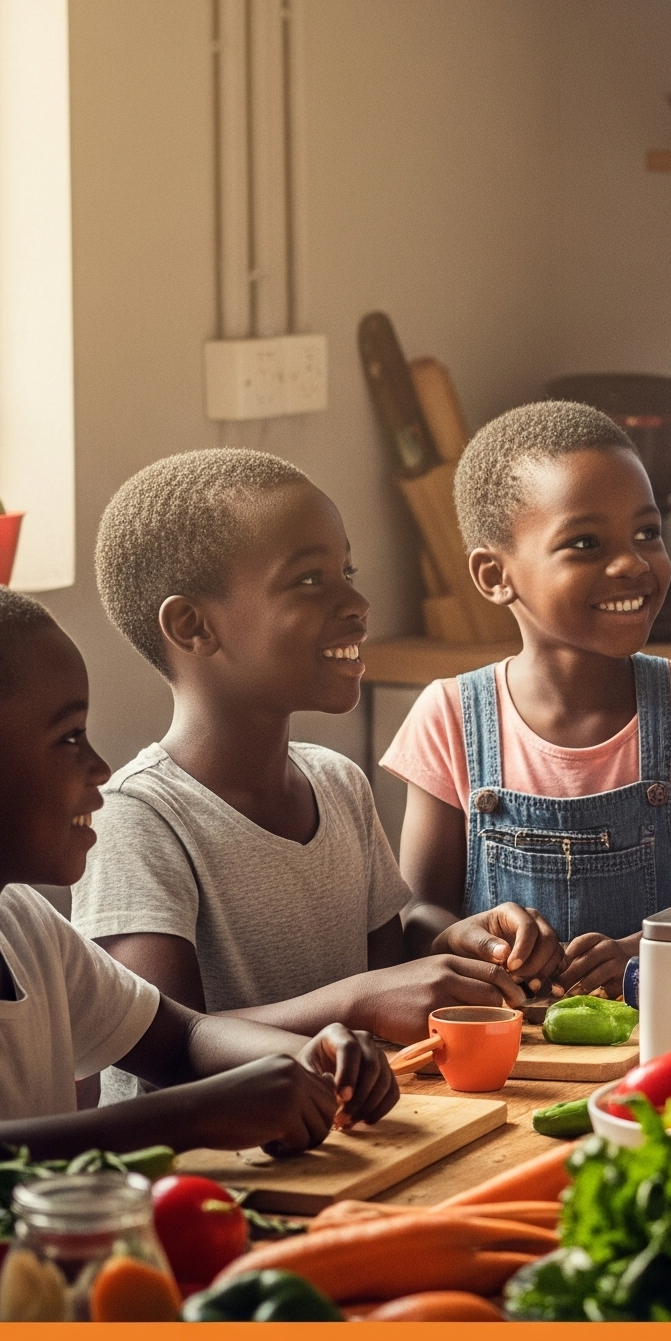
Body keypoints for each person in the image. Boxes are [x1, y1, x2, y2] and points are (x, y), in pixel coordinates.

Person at [0, 580, 396, 1294]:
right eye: (69, 737)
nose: (100, 770)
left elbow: (180, 1039)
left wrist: (308, 1054)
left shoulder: (20, 926)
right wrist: (201, 1114)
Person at [73, 450, 562, 1103]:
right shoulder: (138, 818)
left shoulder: (336, 783)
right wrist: (357, 1003)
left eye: (347, 571)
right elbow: (162, 1045)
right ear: (192, 625)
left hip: (338, 1142)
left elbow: (385, 961)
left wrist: (456, 943)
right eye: (309, 581)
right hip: (200, 1175)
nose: (357, 603)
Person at [383, 402, 671, 994]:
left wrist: (642, 957)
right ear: (493, 576)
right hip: (503, 1051)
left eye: (647, 532)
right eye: (585, 543)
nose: (632, 563)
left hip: (661, 1042)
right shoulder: (449, 715)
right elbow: (419, 915)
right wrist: (477, 939)